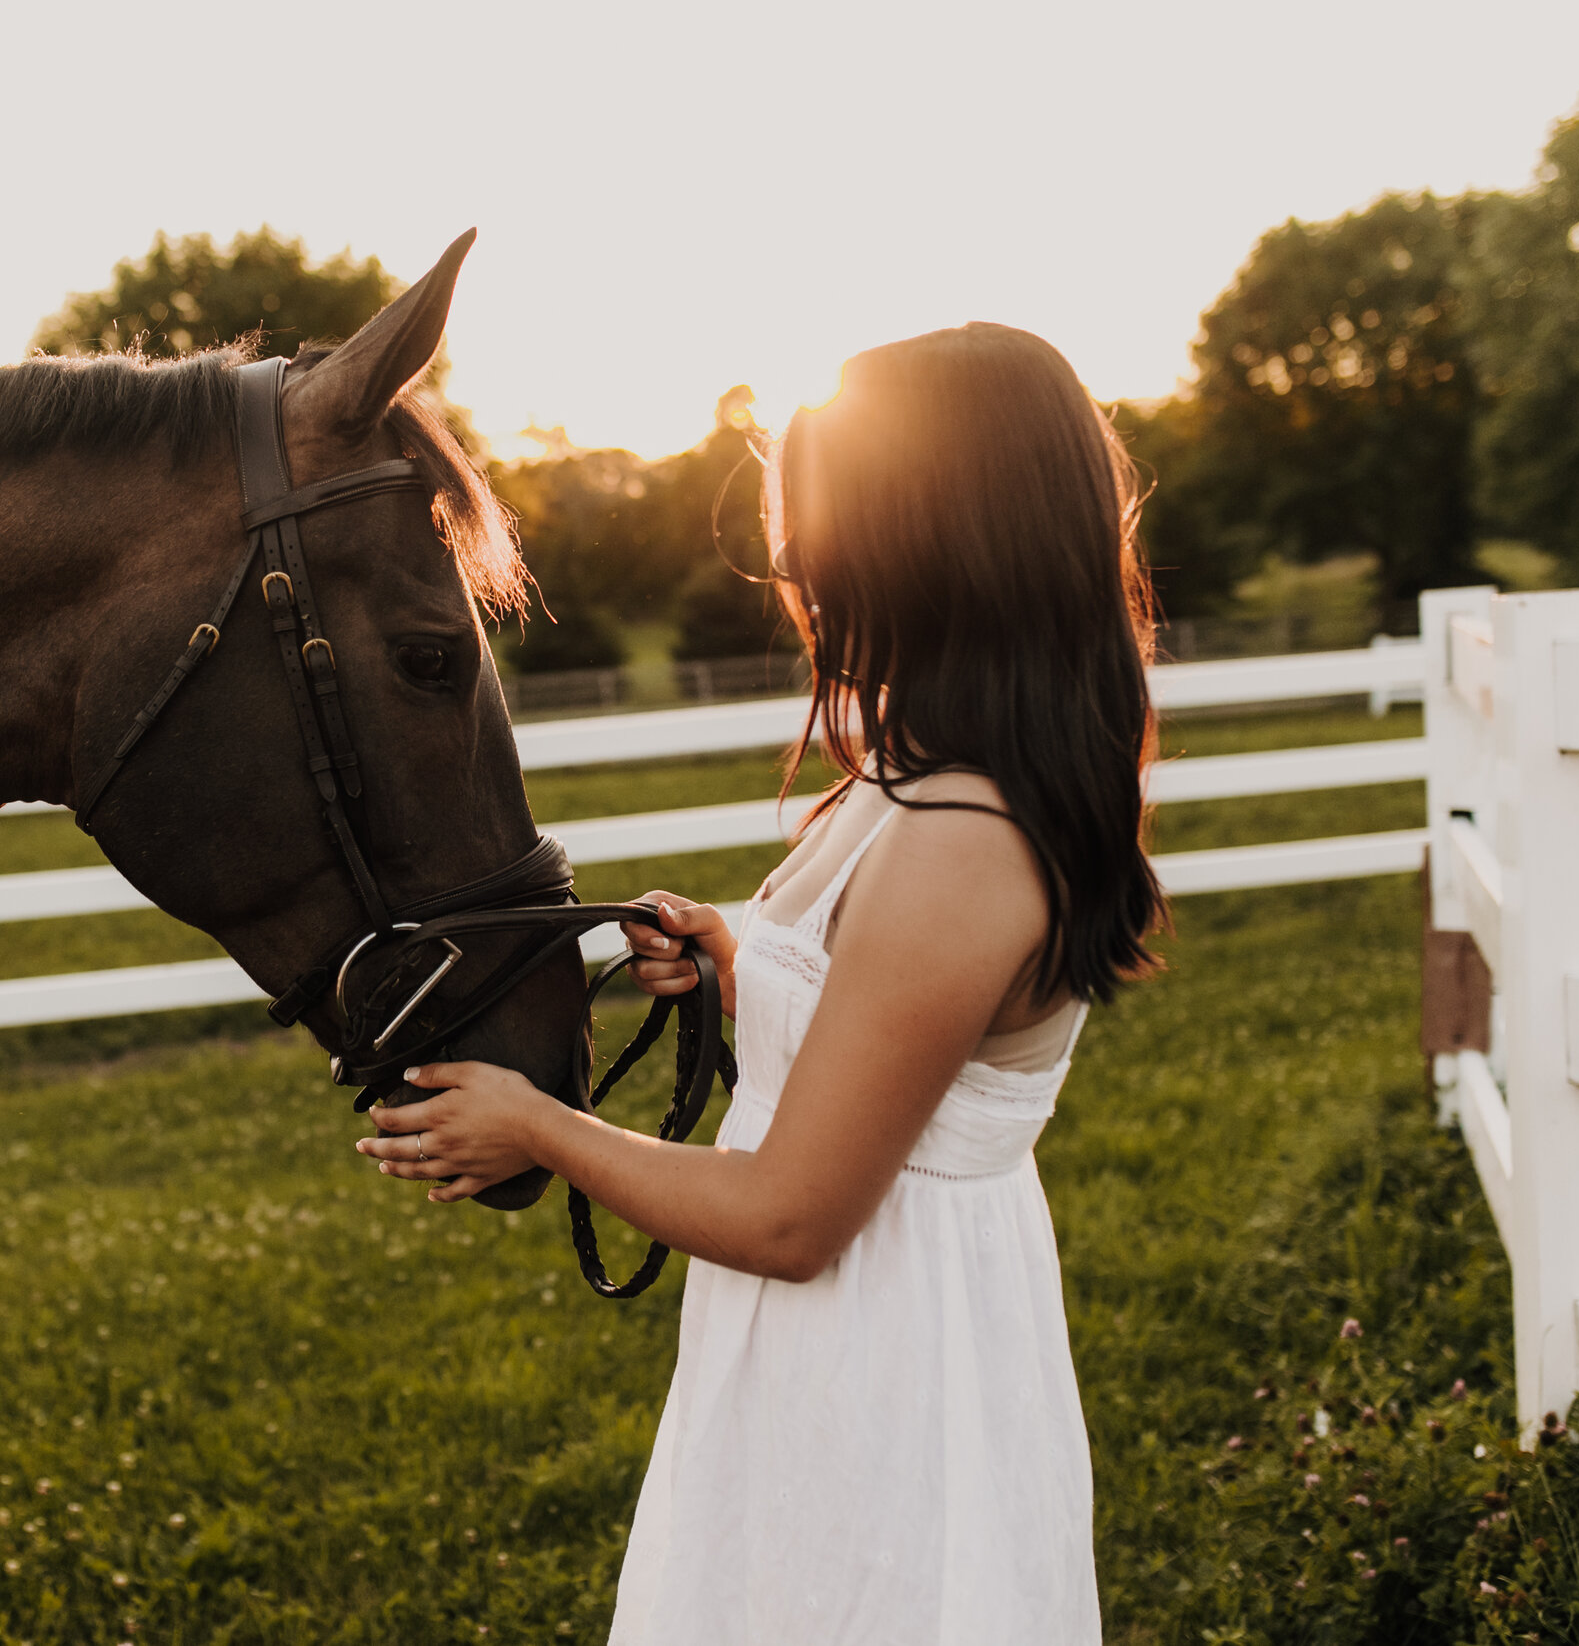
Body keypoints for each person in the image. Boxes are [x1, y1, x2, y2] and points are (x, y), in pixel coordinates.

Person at [352, 323, 1164, 1642]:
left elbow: (795, 1219)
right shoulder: (911, 767)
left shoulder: (965, 833)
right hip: (833, 1346)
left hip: (891, 1358)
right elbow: (882, 1009)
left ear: (931, 528)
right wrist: (738, 959)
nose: (797, 561)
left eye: (828, 522)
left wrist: (535, 1126)